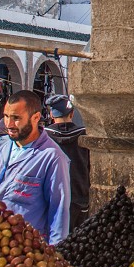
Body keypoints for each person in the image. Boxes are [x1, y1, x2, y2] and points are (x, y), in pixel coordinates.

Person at [0, 90, 71, 243]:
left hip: (22, 253)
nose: (8, 124)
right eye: (6, 116)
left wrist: (54, 257)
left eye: (16, 118)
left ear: (36, 117)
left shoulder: (52, 157)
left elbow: (59, 214)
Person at [45, 94, 91, 228]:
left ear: (52, 115)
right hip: (79, 196)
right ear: (71, 114)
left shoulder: (44, 137)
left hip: (52, 197)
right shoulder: (84, 135)